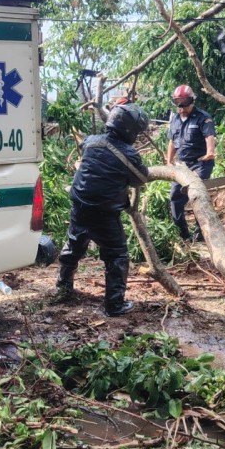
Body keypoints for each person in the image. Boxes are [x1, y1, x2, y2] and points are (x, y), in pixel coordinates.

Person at [56, 104, 151, 317]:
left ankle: (63, 287)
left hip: (80, 205)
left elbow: (86, 151)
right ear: (129, 130)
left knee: (74, 246)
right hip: (104, 212)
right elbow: (140, 179)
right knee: (117, 255)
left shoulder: (91, 141)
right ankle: (114, 305)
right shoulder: (128, 153)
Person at [166, 84, 215, 241]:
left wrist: (210, 152)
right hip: (182, 165)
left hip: (200, 163)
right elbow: (172, 141)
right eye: (178, 103)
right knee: (175, 197)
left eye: (184, 103)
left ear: (192, 101)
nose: (181, 107)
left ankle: (201, 233)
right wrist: (169, 160)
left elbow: (209, 136)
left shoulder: (202, 117)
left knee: (196, 195)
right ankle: (183, 234)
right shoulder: (175, 119)